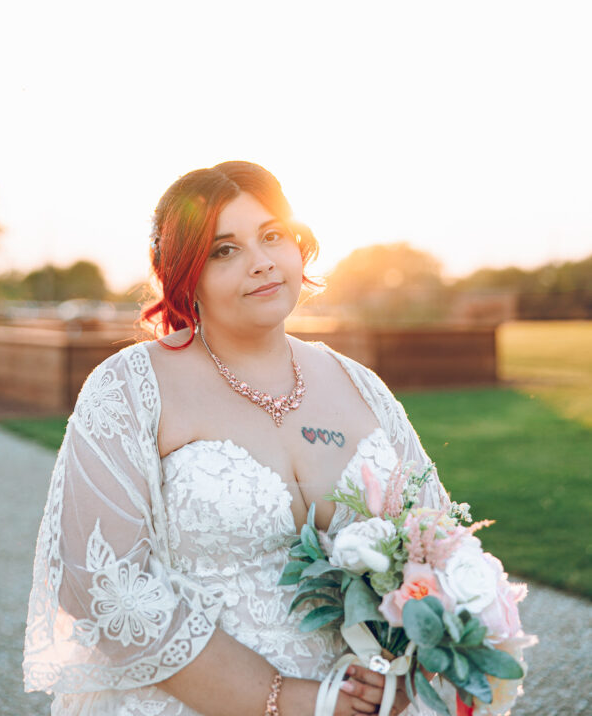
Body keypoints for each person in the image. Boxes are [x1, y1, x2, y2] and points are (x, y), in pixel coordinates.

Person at [24, 161, 450, 716]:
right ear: (186, 275)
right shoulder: (129, 388)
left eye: (273, 236)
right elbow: (100, 583)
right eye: (225, 250)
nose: (262, 262)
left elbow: (438, 547)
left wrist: (400, 676)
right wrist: (291, 700)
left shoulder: (359, 385)